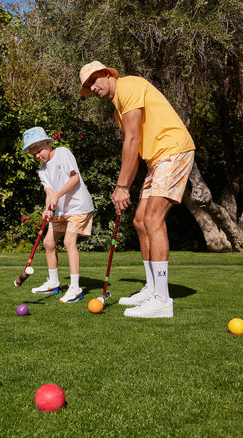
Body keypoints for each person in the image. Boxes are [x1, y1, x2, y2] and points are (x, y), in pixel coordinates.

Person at [79, 61, 195, 318]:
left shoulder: (128, 86)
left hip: (173, 150)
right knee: (141, 221)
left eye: (94, 80)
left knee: (153, 219)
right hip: (157, 159)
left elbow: (133, 140)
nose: (92, 87)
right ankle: (152, 288)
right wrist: (123, 185)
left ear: (107, 74)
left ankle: (162, 300)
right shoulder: (117, 109)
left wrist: (122, 187)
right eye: (88, 85)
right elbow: (133, 146)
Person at [22, 126, 94, 303]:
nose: (38, 156)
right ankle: (54, 283)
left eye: (39, 150)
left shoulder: (63, 153)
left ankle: (75, 288)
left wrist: (56, 195)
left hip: (78, 206)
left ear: (48, 143)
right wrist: (48, 207)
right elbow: (49, 192)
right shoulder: (42, 170)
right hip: (62, 210)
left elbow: (75, 178)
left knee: (69, 242)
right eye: (34, 154)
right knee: (48, 242)